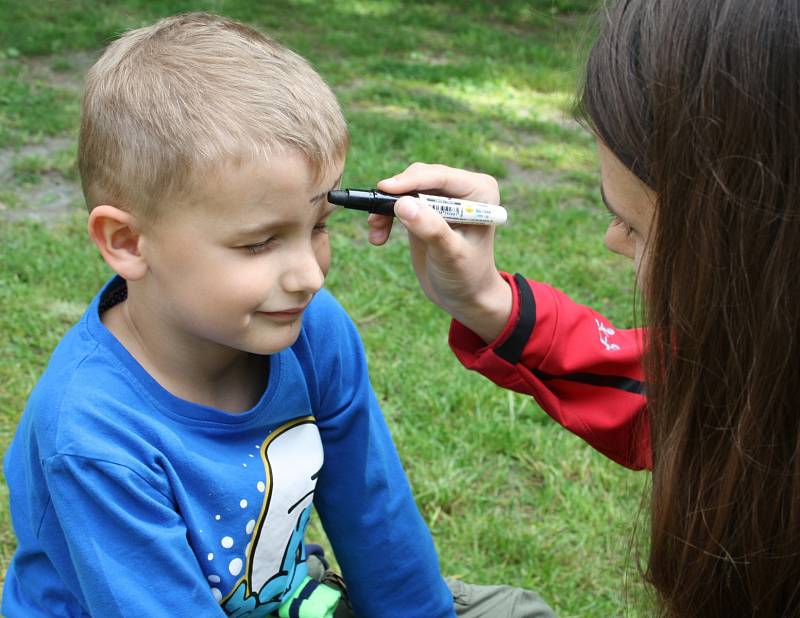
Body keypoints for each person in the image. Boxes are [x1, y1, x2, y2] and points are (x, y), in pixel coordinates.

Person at [1, 13, 555, 618]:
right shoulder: (93, 437)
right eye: (259, 243)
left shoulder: (313, 331)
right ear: (128, 242)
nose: (309, 276)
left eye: (317, 227)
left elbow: (372, 512)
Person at [366, 1, 800, 616]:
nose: (613, 241)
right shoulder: (761, 376)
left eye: (633, 225)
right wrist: (489, 304)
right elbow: (676, 397)